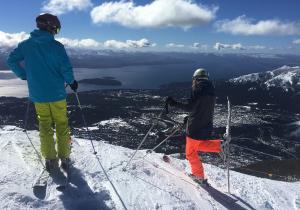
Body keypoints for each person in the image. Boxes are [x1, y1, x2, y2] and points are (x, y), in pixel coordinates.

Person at [7, 13, 78, 172]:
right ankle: (65, 157)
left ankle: (50, 159)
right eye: (56, 30)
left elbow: (11, 60)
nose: (55, 33)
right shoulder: (57, 47)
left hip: (38, 95)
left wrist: (24, 75)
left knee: (45, 125)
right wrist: (72, 82)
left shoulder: (26, 45)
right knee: (61, 124)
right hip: (57, 94)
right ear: (51, 27)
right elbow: (65, 68)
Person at [166, 68, 223, 184]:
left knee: (190, 153)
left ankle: (199, 176)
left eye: (194, 80)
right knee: (197, 146)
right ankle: (220, 146)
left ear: (196, 79)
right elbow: (201, 108)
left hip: (195, 127)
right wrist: (191, 117)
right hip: (206, 125)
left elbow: (189, 107)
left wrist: (173, 103)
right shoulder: (210, 90)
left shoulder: (198, 88)